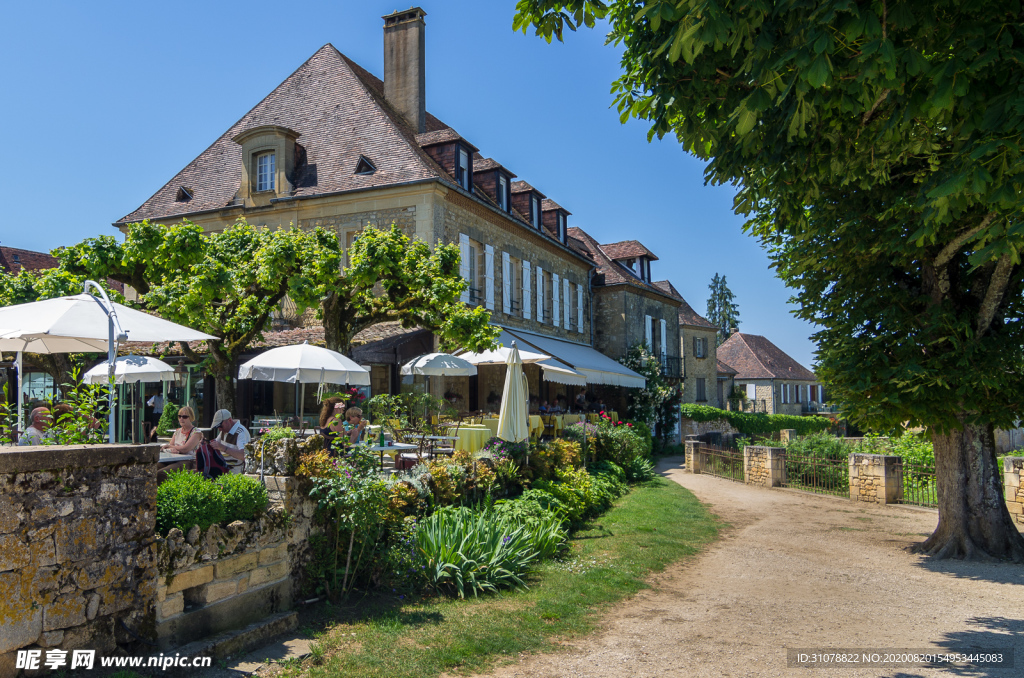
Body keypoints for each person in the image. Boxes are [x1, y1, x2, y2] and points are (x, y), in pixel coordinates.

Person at [158, 406, 202, 480]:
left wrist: (170, 446)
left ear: (191, 418)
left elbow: (185, 449)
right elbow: (170, 446)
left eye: (184, 417)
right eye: (179, 416)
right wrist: (171, 448)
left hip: (188, 461)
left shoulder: (196, 432)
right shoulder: (177, 431)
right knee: (152, 469)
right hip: (173, 459)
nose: (181, 419)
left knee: (161, 473)